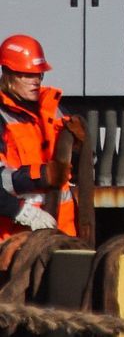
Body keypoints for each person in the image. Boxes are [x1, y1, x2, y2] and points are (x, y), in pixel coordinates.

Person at [0, 33, 78, 239]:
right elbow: (3, 179)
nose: (35, 81)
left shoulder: (54, 110)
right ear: (8, 74)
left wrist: (81, 148)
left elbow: (78, 167)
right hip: (15, 236)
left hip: (62, 233)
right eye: (27, 75)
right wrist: (21, 211)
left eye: (39, 75)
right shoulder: (2, 117)